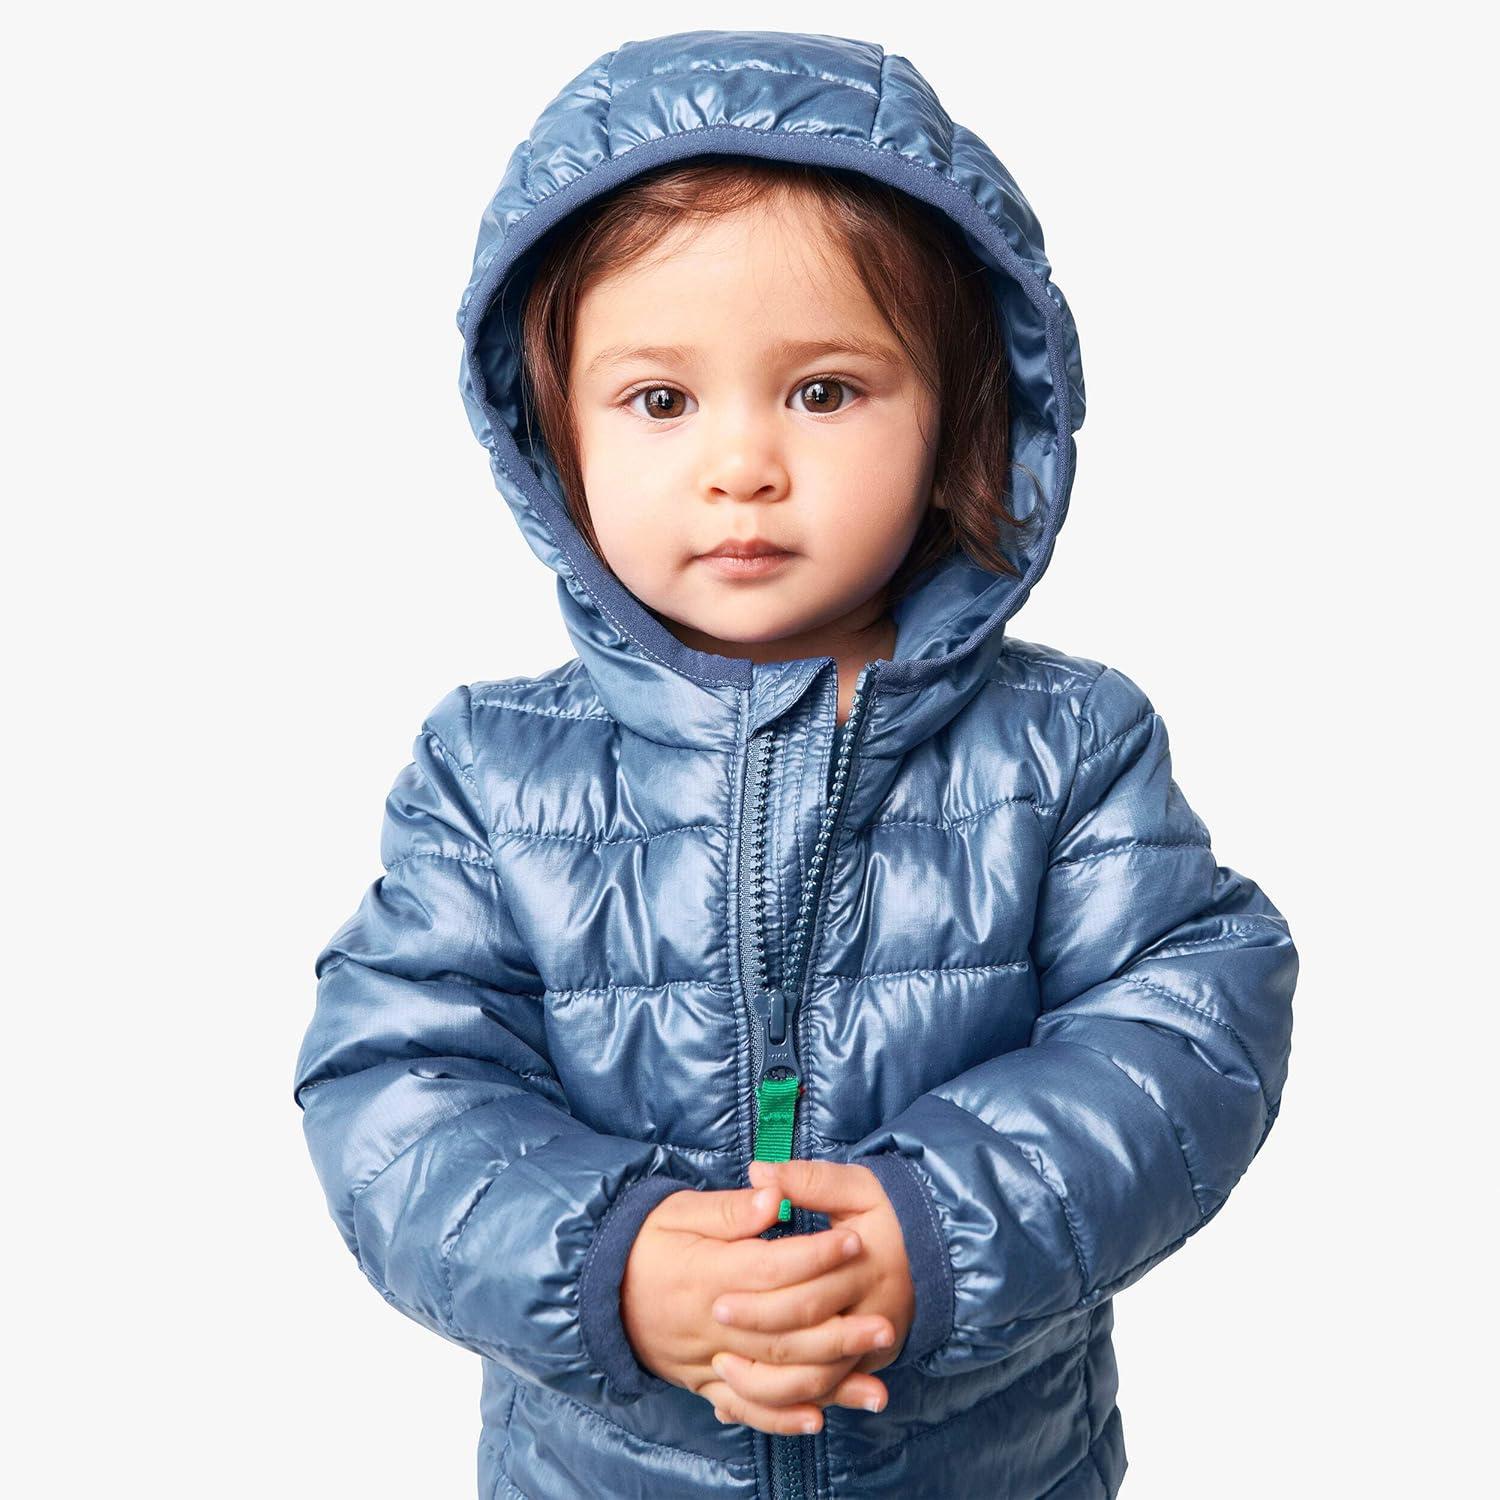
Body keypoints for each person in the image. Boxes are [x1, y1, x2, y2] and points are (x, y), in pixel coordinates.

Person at [292, 28, 1297, 1500]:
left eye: (823, 392)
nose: (742, 466)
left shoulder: (1068, 743)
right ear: (551, 434)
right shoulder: (490, 774)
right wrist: (611, 1260)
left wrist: (936, 1227)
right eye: (660, 400)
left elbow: (1189, 1031)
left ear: (961, 410)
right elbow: (393, 1088)